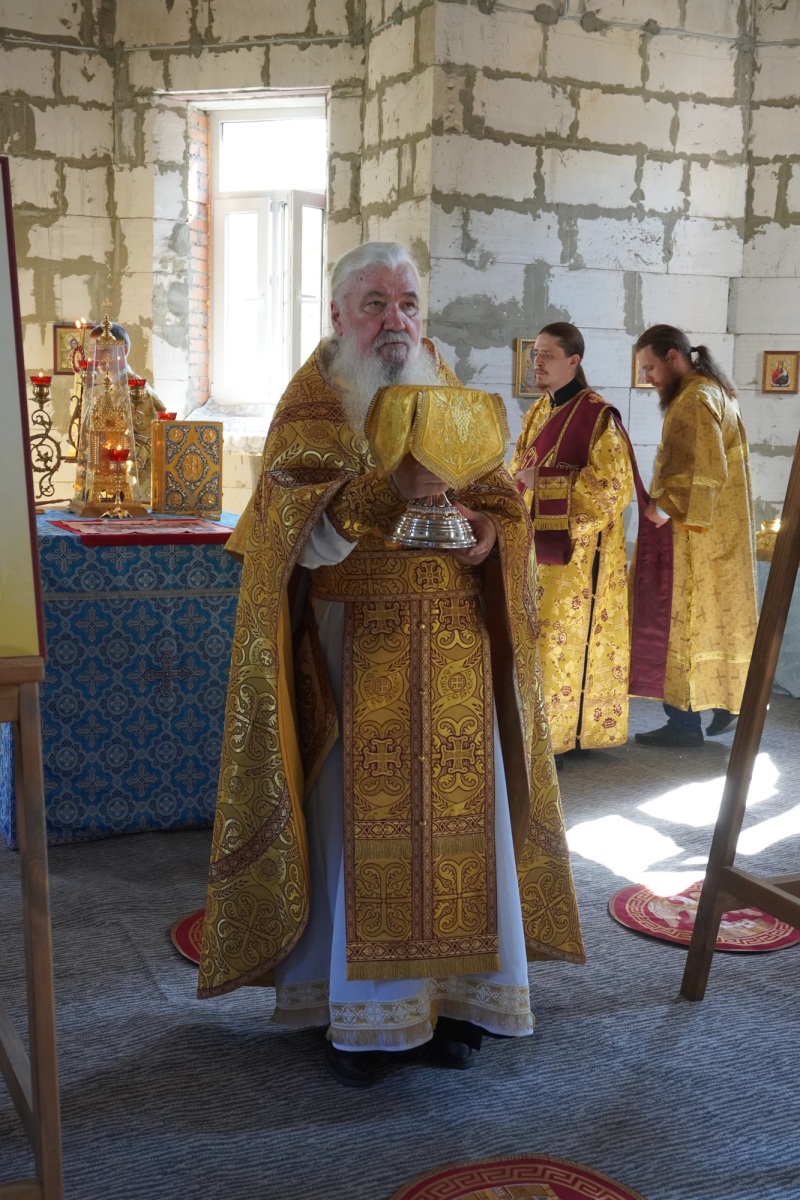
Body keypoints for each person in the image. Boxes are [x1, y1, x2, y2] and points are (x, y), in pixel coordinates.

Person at [197, 241, 584, 1087]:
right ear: (339, 314)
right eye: (375, 303)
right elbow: (284, 537)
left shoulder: (442, 376)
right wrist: (387, 490)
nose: (395, 320)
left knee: (465, 829)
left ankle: (457, 1005)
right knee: (353, 834)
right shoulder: (314, 396)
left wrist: (490, 533)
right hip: (355, 646)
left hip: (453, 651)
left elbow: (497, 493)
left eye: (407, 302)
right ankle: (364, 1023)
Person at [509, 323, 635, 761]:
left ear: (573, 361)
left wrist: (544, 482)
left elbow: (613, 487)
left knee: (559, 640)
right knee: (536, 637)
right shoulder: (538, 411)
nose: (537, 362)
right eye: (535, 354)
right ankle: (540, 733)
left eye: (547, 354)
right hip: (533, 547)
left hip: (578, 559)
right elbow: (518, 468)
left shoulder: (598, 417)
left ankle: (561, 737)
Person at [631, 324, 758, 748]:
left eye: (650, 368)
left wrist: (663, 507)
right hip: (719, 533)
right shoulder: (715, 392)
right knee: (715, 622)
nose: (647, 377)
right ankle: (726, 702)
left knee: (681, 623)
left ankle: (684, 724)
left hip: (693, 537)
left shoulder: (694, 400)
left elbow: (705, 470)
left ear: (673, 357)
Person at [90, 321, 165, 501]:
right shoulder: (110, 387)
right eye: (94, 351)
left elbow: (148, 444)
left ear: (122, 351)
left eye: (104, 350)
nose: (97, 358)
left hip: (137, 489)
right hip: (113, 483)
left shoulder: (138, 391)